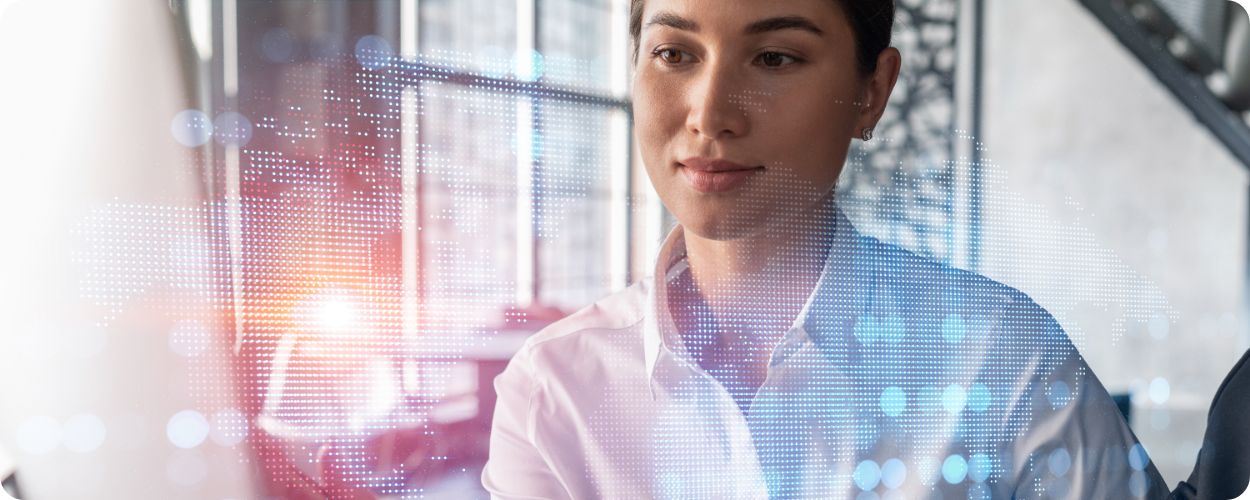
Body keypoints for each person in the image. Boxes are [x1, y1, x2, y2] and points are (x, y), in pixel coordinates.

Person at [482, 0, 1167, 498]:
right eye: (675, 53)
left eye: (775, 56)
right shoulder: (555, 392)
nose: (711, 111)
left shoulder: (1007, 360)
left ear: (872, 92)